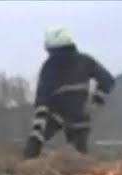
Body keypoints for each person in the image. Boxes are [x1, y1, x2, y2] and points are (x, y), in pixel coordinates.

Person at [23, 28, 115, 159]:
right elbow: (108, 81)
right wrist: (95, 101)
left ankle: (26, 164)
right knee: (79, 155)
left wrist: (38, 126)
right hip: (80, 114)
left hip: (56, 113)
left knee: (35, 143)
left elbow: (42, 98)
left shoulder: (50, 66)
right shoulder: (85, 60)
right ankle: (78, 168)